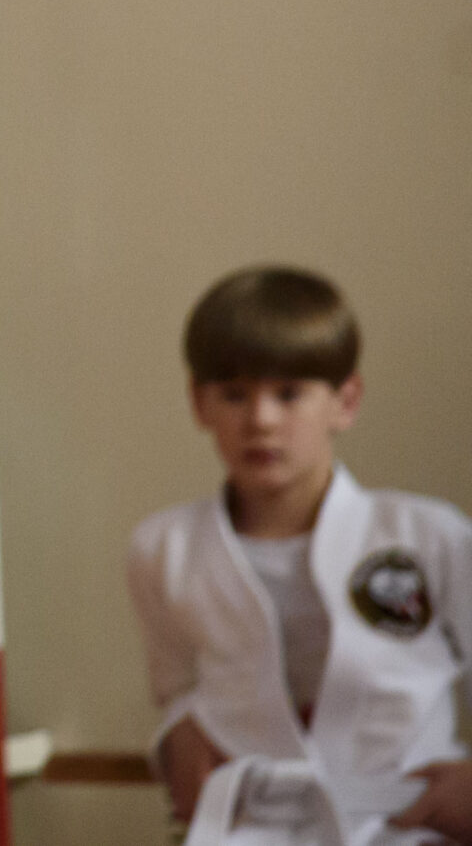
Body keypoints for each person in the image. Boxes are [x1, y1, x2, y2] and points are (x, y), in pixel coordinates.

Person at [128, 266, 472, 845]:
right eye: (234, 394)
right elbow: (176, 686)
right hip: (251, 823)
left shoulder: (429, 536)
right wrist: (177, 736)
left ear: (345, 401)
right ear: (198, 403)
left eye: (289, 394)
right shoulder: (164, 548)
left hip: (409, 821)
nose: (261, 420)